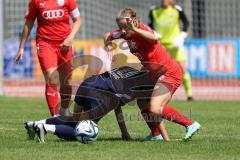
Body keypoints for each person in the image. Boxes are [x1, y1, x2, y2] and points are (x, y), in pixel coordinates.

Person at [104, 8, 200, 141]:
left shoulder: (143, 30)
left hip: (169, 72)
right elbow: (109, 35)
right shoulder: (124, 33)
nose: (123, 31)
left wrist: (135, 29)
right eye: (121, 27)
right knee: (142, 102)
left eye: (125, 27)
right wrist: (107, 44)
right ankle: (156, 134)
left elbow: (154, 37)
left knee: (155, 108)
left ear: (133, 22)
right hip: (152, 75)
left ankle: (190, 124)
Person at [24, 66, 169, 142]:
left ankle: (36, 123)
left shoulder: (129, 69)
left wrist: (125, 133)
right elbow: (150, 110)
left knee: (76, 118)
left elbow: (118, 105)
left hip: (88, 82)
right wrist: (166, 138)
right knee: (82, 131)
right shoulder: (145, 86)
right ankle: (45, 128)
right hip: (101, 95)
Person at [15, 0, 82, 116]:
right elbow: (29, 22)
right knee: (52, 78)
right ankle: (55, 117)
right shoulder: (35, 1)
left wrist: (70, 38)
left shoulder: (68, 0)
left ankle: (65, 110)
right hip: (45, 44)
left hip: (65, 45)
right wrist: (21, 47)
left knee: (67, 81)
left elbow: (78, 20)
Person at [149, 0, 193, 101]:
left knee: (182, 68)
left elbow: (186, 22)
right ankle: (156, 94)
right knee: (158, 70)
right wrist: (154, 32)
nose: (165, 1)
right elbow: (150, 24)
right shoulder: (154, 11)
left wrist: (182, 35)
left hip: (175, 45)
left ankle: (189, 95)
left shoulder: (177, 10)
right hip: (160, 44)